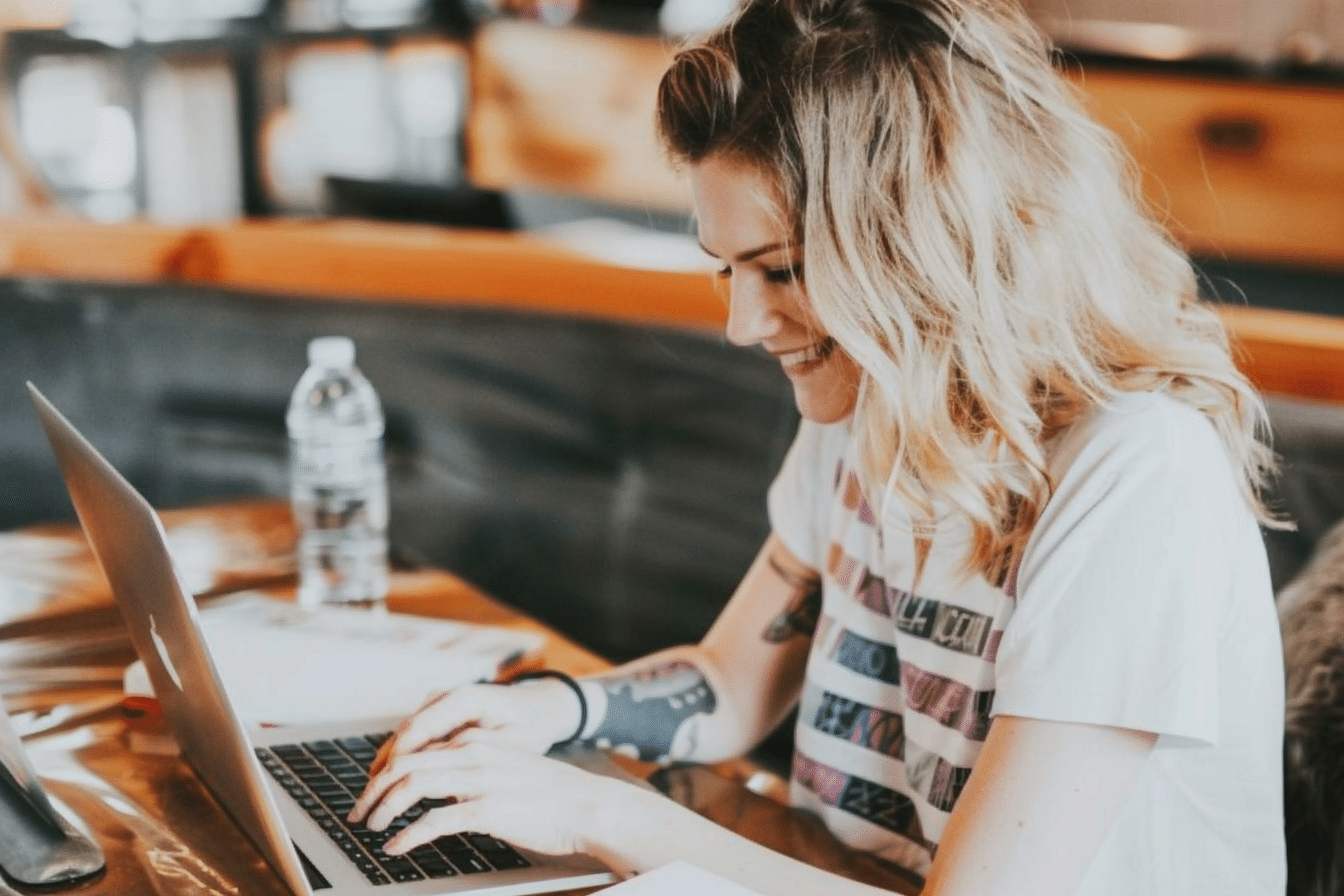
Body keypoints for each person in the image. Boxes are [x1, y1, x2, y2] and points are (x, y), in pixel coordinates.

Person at [348, 0, 1289, 892]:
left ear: (935, 244)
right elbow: (730, 681)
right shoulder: (873, 404)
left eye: (783, 270)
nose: (743, 326)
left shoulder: (1135, 472)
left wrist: (600, 814)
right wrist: (552, 711)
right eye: (727, 272)